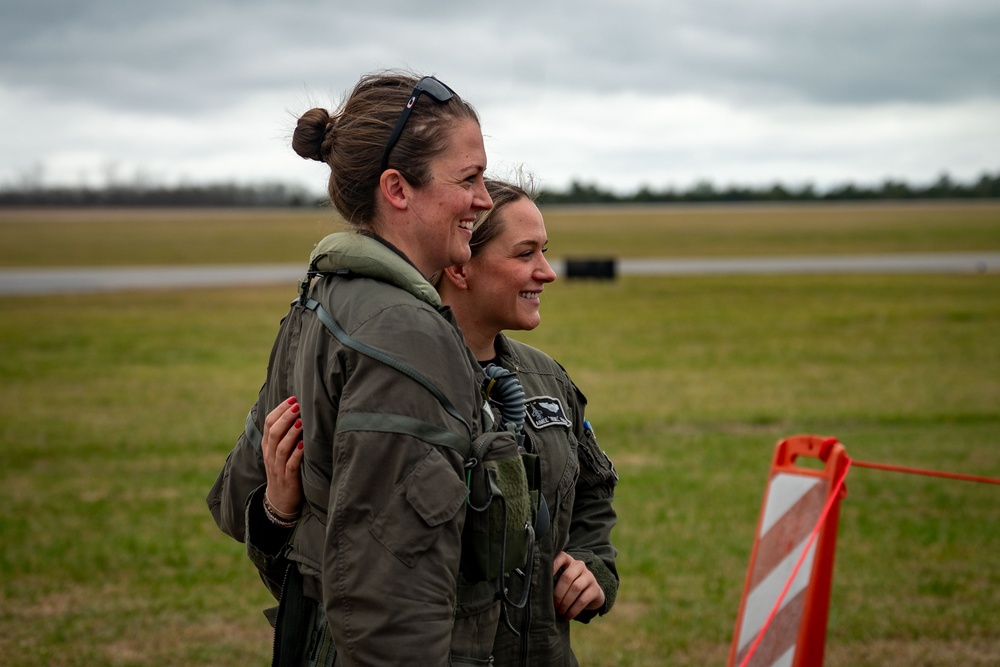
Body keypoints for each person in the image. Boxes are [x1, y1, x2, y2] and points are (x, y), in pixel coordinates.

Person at [207, 70, 515, 666]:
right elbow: (393, 591)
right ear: (397, 189)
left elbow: (245, 501)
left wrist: (286, 517)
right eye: (469, 178)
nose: (484, 199)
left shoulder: (322, 298)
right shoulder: (403, 333)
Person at [258, 178, 620, 665]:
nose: (547, 272)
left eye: (545, 251)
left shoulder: (546, 380)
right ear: (460, 267)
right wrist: (275, 515)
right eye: (525, 253)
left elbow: (593, 488)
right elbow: (340, 568)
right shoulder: (392, 386)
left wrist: (592, 566)